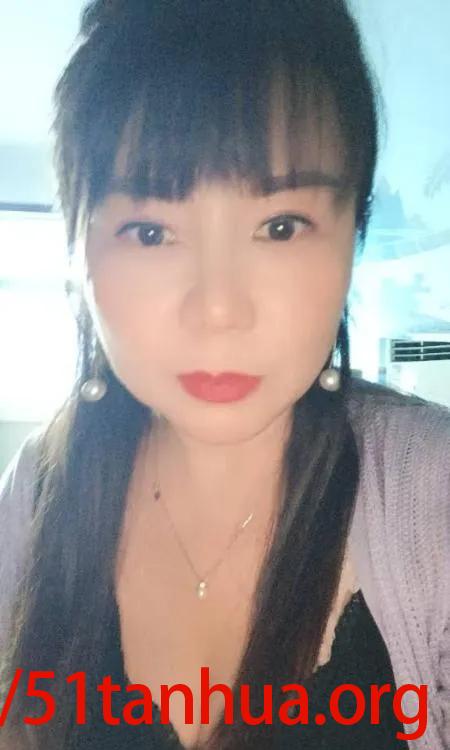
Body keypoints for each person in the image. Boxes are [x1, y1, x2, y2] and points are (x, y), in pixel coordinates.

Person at [0, 1, 449, 748]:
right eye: (151, 231)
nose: (218, 311)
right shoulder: (38, 490)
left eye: (280, 226)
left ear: (354, 232)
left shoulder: (432, 499)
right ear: (78, 246)